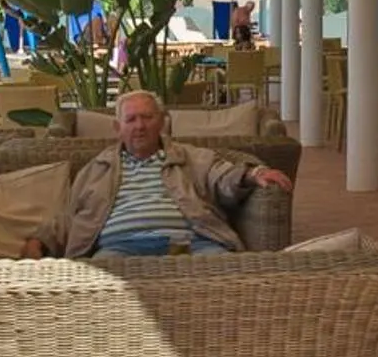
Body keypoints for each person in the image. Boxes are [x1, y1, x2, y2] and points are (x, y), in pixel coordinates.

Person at [32, 89, 291, 258]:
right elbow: (71, 215)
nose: (140, 126)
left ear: (162, 122)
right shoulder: (96, 169)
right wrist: (40, 241)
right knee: (99, 282)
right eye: (131, 120)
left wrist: (254, 173)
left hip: (192, 243)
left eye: (147, 117)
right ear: (117, 128)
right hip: (119, 247)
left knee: (226, 270)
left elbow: (222, 175)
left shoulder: (191, 156)